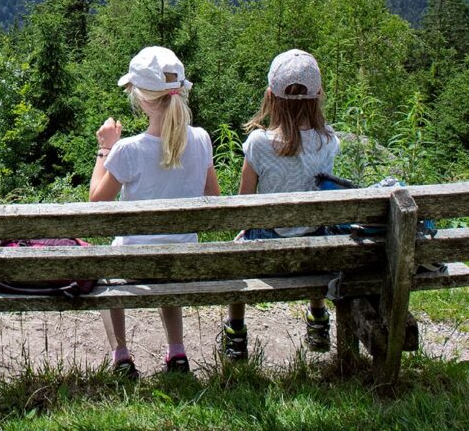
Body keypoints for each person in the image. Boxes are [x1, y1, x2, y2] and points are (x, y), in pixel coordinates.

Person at [90, 45, 220, 377]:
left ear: (143, 100)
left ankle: (121, 356)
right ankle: (177, 352)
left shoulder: (127, 150)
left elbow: (95, 203)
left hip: (135, 262)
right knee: (167, 255)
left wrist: (104, 148)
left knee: (108, 274)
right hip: (184, 259)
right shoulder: (202, 140)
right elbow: (213, 197)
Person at [222, 47, 339, 360]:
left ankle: (236, 330)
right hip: (314, 253)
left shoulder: (258, 144)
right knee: (316, 231)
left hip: (268, 250)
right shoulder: (329, 139)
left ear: (270, 96)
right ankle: (317, 318)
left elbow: (245, 205)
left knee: (239, 247)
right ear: (317, 97)